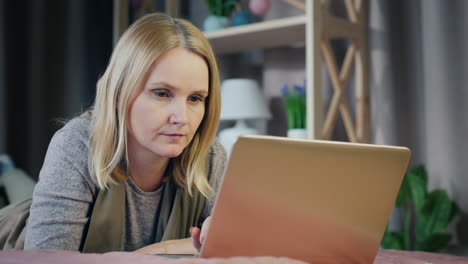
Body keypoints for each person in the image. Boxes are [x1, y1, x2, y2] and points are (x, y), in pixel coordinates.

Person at [23, 12, 226, 254]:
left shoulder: (210, 156)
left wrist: (155, 252)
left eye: (195, 98)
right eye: (162, 93)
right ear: (119, 94)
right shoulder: (77, 144)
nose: (182, 118)